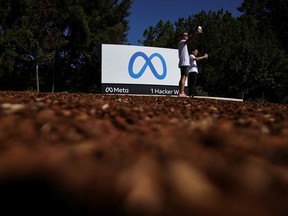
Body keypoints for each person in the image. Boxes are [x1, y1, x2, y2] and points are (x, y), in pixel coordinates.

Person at [178, 29, 202, 97]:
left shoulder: (182, 43)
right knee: (183, 77)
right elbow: (190, 39)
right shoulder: (182, 42)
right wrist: (196, 33)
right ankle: (181, 92)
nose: (186, 36)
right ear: (182, 36)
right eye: (185, 35)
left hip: (184, 63)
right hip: (184, 63)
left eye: (187, 35)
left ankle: (181, 92)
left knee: (183, 77)